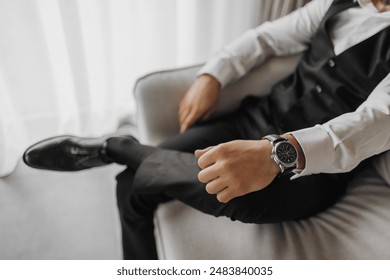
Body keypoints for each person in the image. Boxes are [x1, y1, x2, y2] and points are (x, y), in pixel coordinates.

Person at [23, 0, 390, 259]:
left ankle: (119, 148)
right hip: (251, 122)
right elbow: (265, 38)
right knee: (130, 184)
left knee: (235, 196)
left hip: (314, 172)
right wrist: (212, 74)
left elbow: (371, 122)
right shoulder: (336, 4)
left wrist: (280, 152)